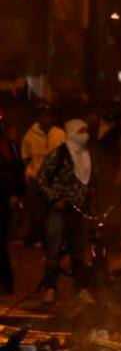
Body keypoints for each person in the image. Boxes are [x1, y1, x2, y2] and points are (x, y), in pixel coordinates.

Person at [36, 119, 95, 305]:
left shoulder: (87, 157)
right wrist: (55, 199)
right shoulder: (59, 154)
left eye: (86, 130)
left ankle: (80, 290)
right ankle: (50, 288)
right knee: (53, 253)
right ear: (71, 133)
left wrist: (91, 209)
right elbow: (41, 179)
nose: (85, 134)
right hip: (59, 212)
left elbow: (91, 186)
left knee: (78, 254)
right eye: (81, 131)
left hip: (79, 212)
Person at [20, 105, 64, 246]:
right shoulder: (30, 134)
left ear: (53, 118)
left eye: (49, 115)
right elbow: (25, 156)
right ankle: (37, 236)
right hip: (36, 179)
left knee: (54, 211)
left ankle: (52, 238)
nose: (46, 118)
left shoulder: (60, 134)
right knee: (37, 211)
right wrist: (29, 173)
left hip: (55, 180)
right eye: (43, 114)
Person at [0, 111, 25, 295]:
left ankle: (6, 281)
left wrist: (17, 194)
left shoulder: (10, 146)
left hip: (4, 200)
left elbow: (18, 170)